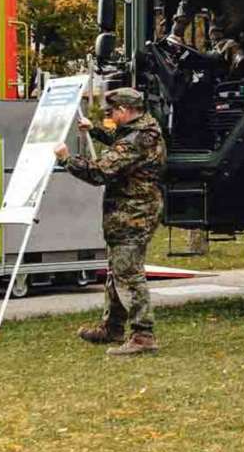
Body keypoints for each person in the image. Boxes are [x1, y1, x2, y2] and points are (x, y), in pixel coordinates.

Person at [56, 87, 168, 355]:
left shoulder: (137, 139)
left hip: (133, 214)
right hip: (130, 211)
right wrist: (93, 130)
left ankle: (143, 335)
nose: (110, 116)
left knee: (128, 274)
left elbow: (100, 171)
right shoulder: (143, 128)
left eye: (112, 112)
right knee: (117, 271)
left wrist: (66, 160)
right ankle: (113, 327)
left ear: (124, 111)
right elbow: (119, 140)